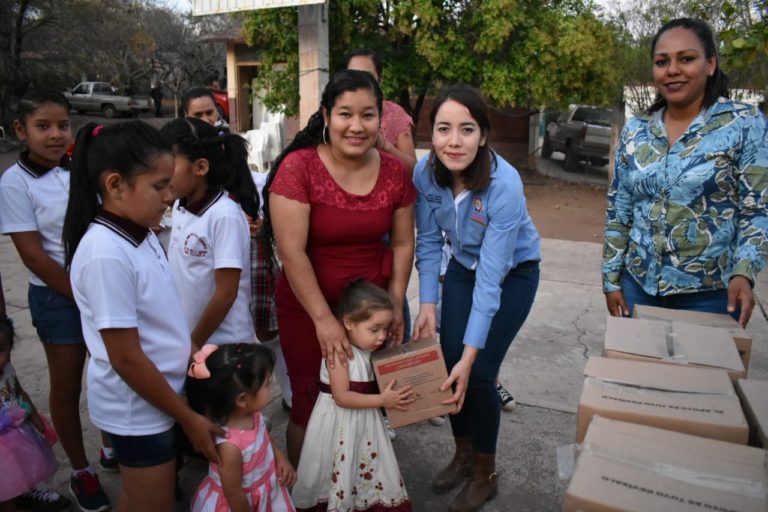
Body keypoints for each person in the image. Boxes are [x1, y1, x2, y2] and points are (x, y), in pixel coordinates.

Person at [62, 121, 223, 512]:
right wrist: (187, 417)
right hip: (138, 409)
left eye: (170, 184)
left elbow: (159, 313)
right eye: (158, 186)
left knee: (138, 499)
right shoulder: (105, 253)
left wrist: (190, 349)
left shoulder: (141, 232)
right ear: (115, 185)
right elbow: (126, 358)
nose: (170, 196)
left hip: (160, 396)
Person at [263, 69, 416, 467]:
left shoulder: (395, 171)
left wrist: (395, 303)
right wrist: (323, 320)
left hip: (370, 311)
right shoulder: (298, 168)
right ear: (327, 116)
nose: (356, 126)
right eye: (345, 114)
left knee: (366, 398)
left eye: (368, 115)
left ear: (380, 120)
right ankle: (305, 495)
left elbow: (402, 243)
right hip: (305, 309)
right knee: (309, 402)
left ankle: (355, 487)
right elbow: (291, 252)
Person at [411, 84, 541, 512]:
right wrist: (428, 306)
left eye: (466, 129)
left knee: (479, 372)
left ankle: (486, 472)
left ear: (483, 135)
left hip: (513, 273)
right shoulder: (425, 174)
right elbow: (429, 243)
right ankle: (463, 453)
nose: (454, 141)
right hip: (465, 267)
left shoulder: (504, 184)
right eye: (444, 129)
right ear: (432, 135)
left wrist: (470, 356)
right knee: (447, 361)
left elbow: (492, 276)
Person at [602, 18, 768, 327]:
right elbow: (619, 210)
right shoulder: (637, 130)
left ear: (710, 65)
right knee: (636, 373)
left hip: (711, 295)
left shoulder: (744, 124)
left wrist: (744, 271)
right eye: (662, 62)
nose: (672, 70)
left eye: (687, 59)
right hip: (638, 287)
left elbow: (757, 209)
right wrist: (611, 278)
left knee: (700, 376)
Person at [0, 88, 112, 512]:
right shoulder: (14, 183)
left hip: (98, 286)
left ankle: (110, 446)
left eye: (62, 125)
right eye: (42, 126)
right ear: (20, 130)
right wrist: (81, 295)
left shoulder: (79, 168)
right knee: (66, 387)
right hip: (57, 296)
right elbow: (33, 255)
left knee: (110, 369)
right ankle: (82, 473)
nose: (55, 135)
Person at [292, 279, 413, 512]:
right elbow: (342, 397)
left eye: (385, 329)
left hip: (364, 421)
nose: (381, 336)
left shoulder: (367, 350)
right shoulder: (339, 354)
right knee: (340, 464)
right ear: (348, 323)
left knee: (362, 462)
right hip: (339, 423)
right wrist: (382, 401)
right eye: (374, 329)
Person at [160, 117, 259, 351]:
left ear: (201, 168)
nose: (161, 174)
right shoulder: (179, 205)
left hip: (225, 347)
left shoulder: (224, 215)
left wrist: (194, 342)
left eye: (169, 165)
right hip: (192, 341)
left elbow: (226, 293)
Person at [187, 343, 296, 511]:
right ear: (242, 400)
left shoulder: (252, 414)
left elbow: (265, 437)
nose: (270, 386)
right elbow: (233, 493)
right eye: (267, 384)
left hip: (264, 490)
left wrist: (281, 458)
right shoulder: (230, 446)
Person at [0, 316, 59, 512]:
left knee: (18, 473)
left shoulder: (8, 369)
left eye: (1, 349)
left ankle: (22, 495)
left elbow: (18, 391)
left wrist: (33, 414)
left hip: (16, 437)